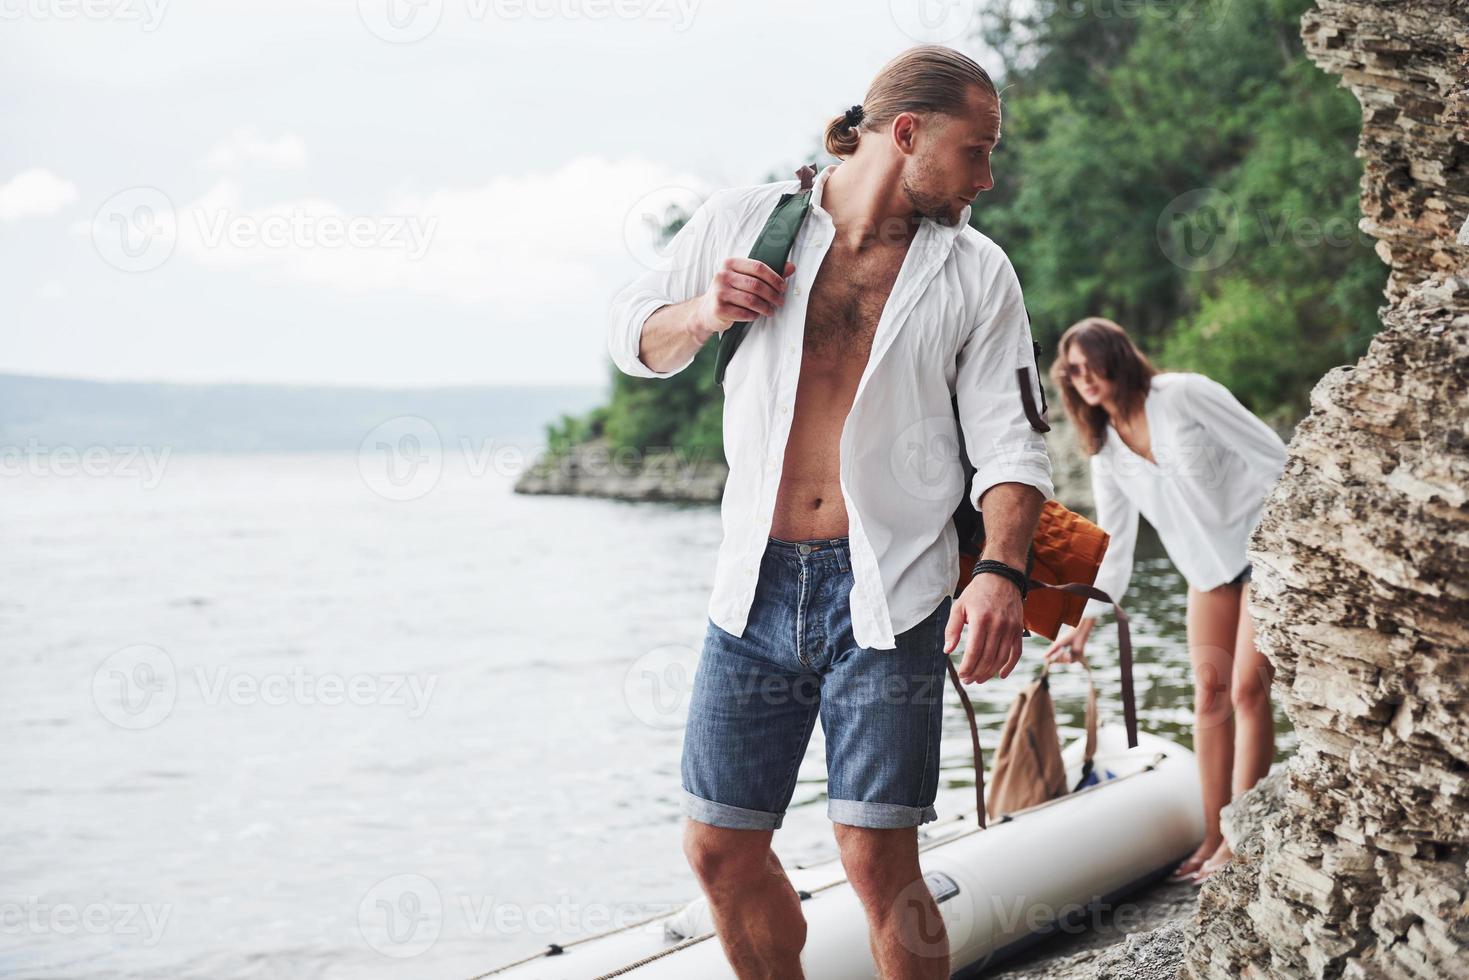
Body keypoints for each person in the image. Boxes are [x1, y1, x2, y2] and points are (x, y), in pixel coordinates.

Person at [606, 45, 1053, 980]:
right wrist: (702, 311)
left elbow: (1012, 444)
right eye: (976, 151)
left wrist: (1000, 573)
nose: (988, 175)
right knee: (718, 852)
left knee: (875, 859)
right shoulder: (747, 219)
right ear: (905, 134)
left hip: (888, 590)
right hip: (751, 586)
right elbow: (632, 335)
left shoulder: (975, 271)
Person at [1040, 316, 1289, 885]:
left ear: (1118, 357)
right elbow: (1117, 544)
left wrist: (1297, 540)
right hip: (1206, 572)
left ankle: (1241, 840)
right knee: (1209, 695)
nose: (1084, 379)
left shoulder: (1184, 395)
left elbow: (1272, 455)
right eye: (1072, 372)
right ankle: (1211, 836)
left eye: (1092, 364)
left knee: (1248, 688)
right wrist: (1085, 618)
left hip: (1265, 548)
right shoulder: (1104, 450)